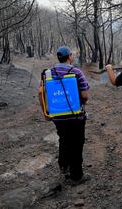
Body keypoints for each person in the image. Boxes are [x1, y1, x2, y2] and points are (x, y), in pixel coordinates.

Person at [40, 46, 90, 185]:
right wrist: (81, 103)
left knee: (64, 139)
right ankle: (76, 176)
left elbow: (41, 93)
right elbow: (85, 95)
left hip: (58, 116)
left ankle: (64, 166)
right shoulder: (76, 72)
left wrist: (46, 112)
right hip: (76, 116)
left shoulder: (48, 73)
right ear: (69, 57)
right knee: (77, 144)